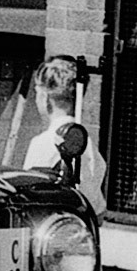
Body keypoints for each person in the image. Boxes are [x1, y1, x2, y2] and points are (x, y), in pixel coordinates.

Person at [23, 55, 107, 215]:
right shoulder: (88, 144)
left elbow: (30, 202)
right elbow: (99, 212)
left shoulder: (42, 143)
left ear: (44, 97)